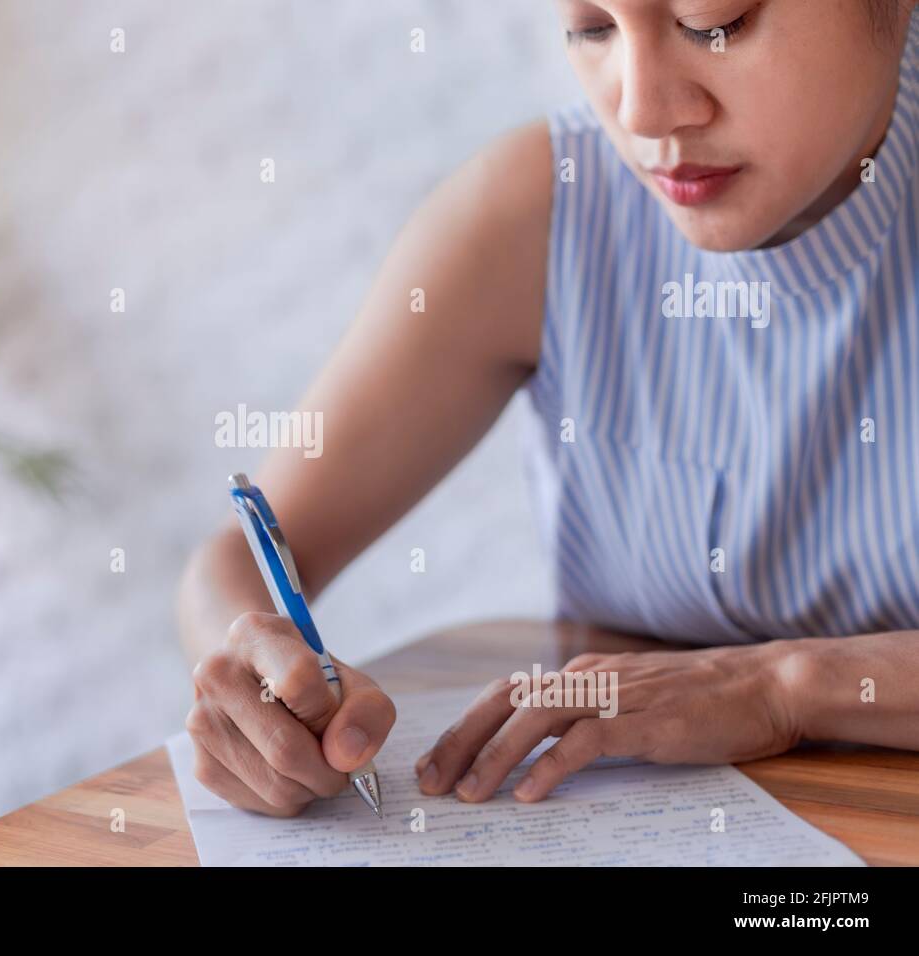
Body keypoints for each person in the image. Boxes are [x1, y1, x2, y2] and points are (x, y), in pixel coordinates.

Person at [176, 0, 919, 816]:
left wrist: (782, 687)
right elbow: (241, 560)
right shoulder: (547, 208)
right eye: (592, 28)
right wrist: (254, 678)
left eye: (717, 22)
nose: (641, 111)